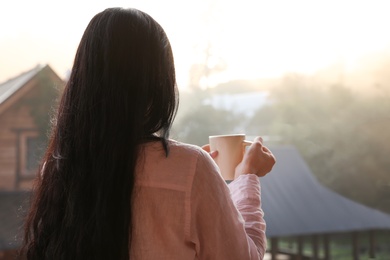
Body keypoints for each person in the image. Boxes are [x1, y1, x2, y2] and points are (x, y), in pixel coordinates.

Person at [21, 7, 276, 260]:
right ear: (158, 82)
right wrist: (246, 178)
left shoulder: (57, 168)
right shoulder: (192, 168)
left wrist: (199, 175)